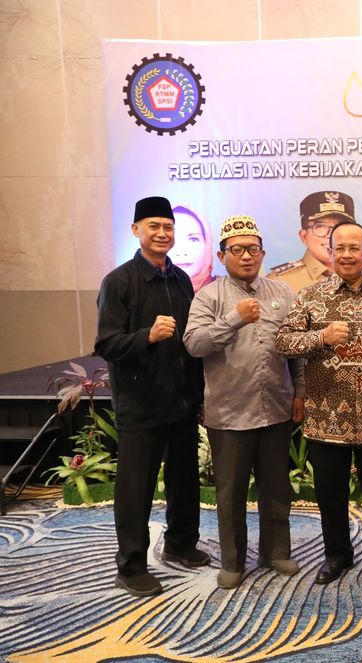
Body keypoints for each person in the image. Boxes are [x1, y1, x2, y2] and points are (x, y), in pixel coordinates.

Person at [276, 221, 362, 586]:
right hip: (327, 417)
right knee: (329, 493)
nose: (348, 255)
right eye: (340, 248)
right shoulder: (309, 296)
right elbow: (283, 343)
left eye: (356, 248)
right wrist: (320, 336)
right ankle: (337, 554)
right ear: (330, 252)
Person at [95, 195, 208, 598]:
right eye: (154, 226)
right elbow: (106, 343)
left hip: (181, 401)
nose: (162, 234)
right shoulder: (119, 282)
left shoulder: (180, 280)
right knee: (135, 490)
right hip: (140, 405)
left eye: (168, 227)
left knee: (184, 480)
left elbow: (191, 344)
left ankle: (180, 544)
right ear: (136, 231)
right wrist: (147, 336)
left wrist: (199, 394)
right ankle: (130, 566)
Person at [183, 215, 305, 589]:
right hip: (230, 412)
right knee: (231, 493)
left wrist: (300, 392)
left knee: (276, 487)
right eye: (237, 250)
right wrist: (233, 320)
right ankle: (233, 561)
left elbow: (296, 350)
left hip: (276, 409)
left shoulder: (283, 293)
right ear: (222, 256)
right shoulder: (209, 296)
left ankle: (277, 551)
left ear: (263, 253)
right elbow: (194, 344)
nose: (246, 256)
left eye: (253, 249)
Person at [267, 191, 362, 292]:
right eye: (320, 226)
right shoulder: (279, 282)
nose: (331, 235)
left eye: (339, 227)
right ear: (304, 236)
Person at [171, 205, 215, 292]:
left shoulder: (228, 290)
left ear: (207, 245)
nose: (182, 252)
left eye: (193, 239)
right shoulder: (146, 291)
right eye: (172, 240)